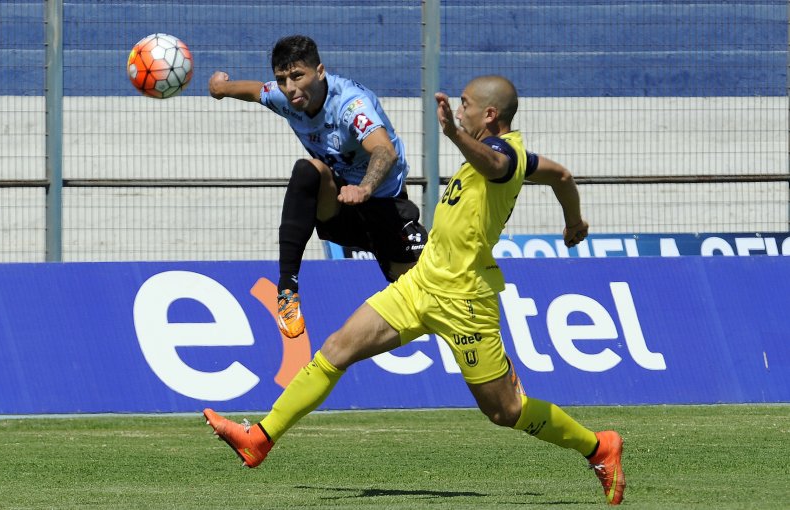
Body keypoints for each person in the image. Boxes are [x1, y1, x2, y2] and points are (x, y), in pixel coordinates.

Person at [203, 75, 626, 505]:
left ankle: (599, 447)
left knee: (505, 412)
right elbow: (562, 174)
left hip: (464, 298)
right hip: (422, 282)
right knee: (336, 349)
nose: (460, 110)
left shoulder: (501, 154)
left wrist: (455, 134)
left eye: (466, 105)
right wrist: (574, 221)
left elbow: (497, 166)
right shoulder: (518, 154)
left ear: (490, 114)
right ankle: (260, 438)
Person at [208, 35, 427, 339]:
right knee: (307, 170)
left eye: (298, 76)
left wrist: (363, 189)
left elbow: (384, 151)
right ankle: (287, 290)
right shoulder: (286, 98)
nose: (291, 87)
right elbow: (258, 90)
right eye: (282, 79)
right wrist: (221, 88)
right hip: (340, 207)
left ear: (320, 71)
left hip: (383, 204)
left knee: (427, 303)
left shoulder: (351, 105)